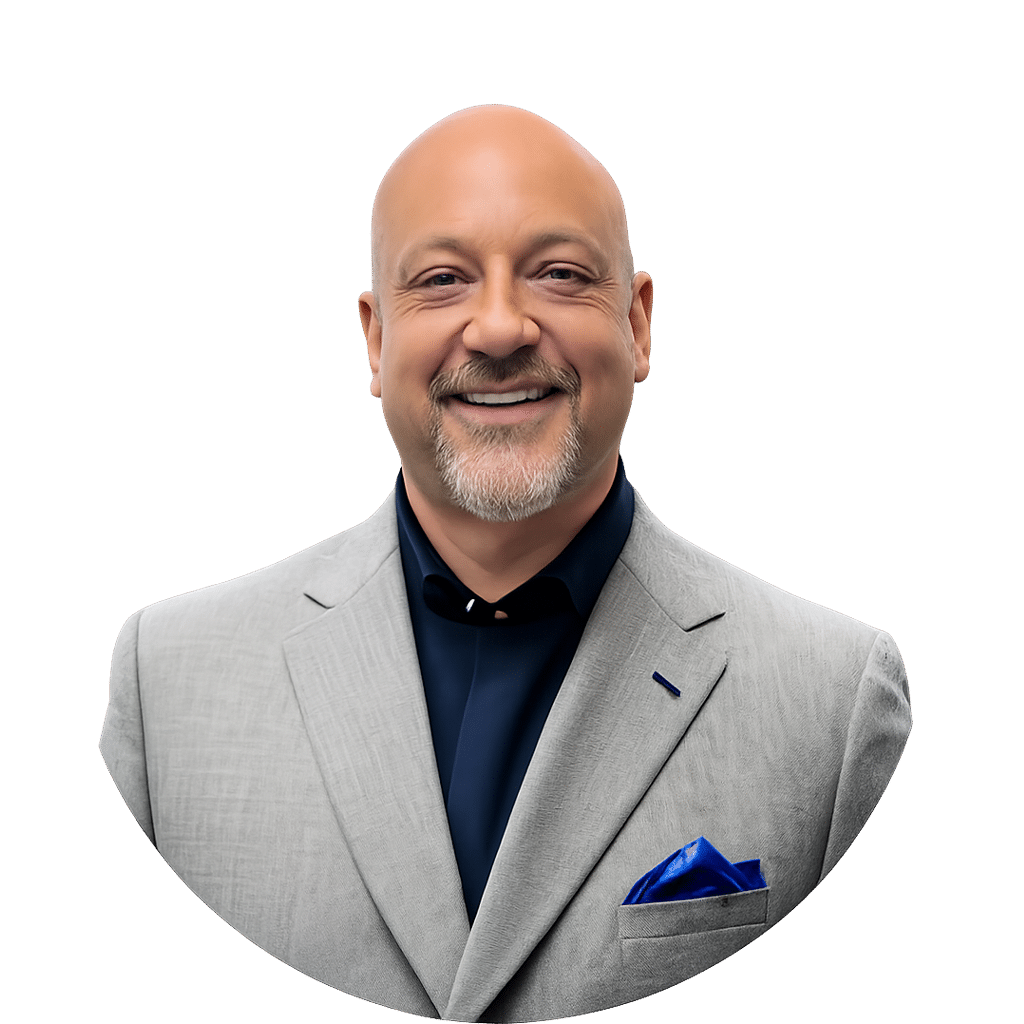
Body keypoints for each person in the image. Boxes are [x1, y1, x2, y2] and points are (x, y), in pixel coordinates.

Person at [100, 104, 911, 1022]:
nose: (497, 328)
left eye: (559, 274)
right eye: (441, 280)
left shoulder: (835, 699)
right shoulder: (166, 682)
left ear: (638, 324)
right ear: (374, 339)